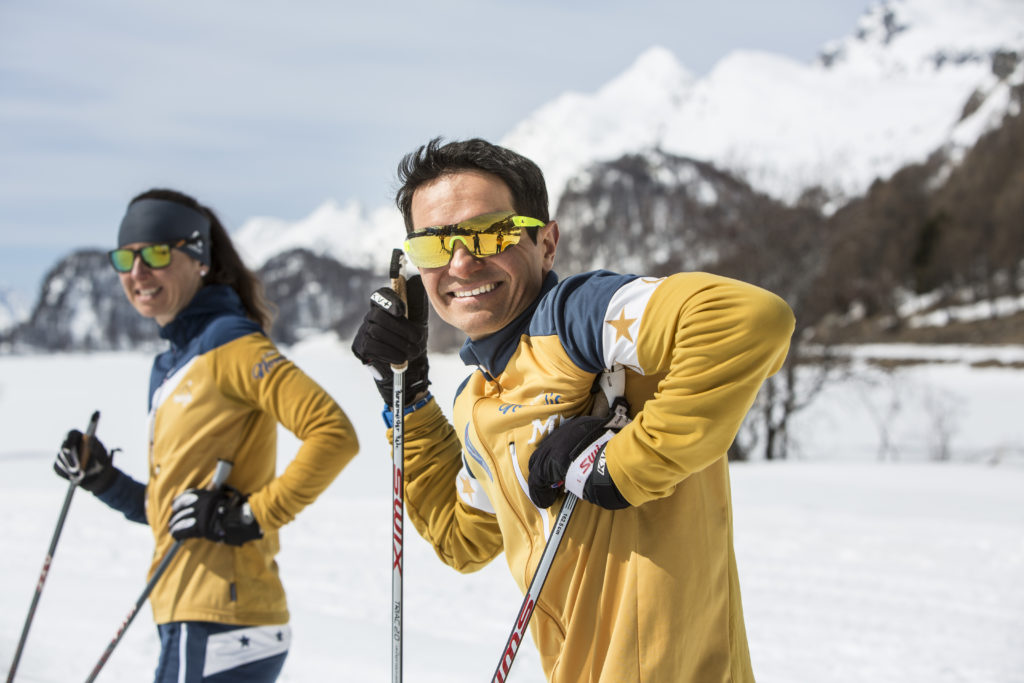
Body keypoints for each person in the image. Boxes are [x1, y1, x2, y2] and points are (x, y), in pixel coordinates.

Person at [351, 137, 795, 682]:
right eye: (433, 247)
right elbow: (462, 538)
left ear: (547, 243)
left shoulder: (579, 319)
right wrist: (410, 396)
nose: (462, 263)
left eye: (490, 234)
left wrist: (623, 466)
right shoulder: (478, 401)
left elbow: (748, 318)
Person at [54, 188, 359, 682]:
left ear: (198, 259)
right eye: (125, 258)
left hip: (222, 621)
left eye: (155, 254)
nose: (138, 273)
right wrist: (102, 477)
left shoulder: (229, 343)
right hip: (190, 613)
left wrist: (249, 515)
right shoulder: (171, 363)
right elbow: (173, 513)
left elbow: (334, 433)